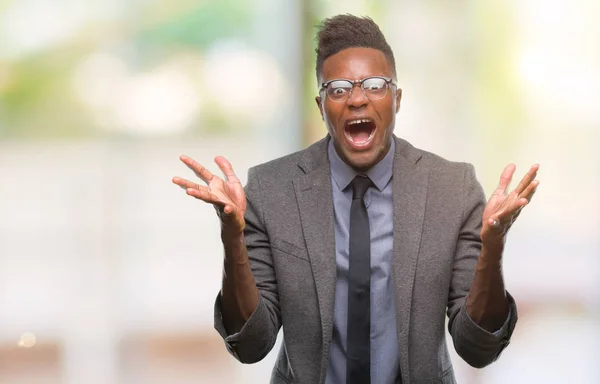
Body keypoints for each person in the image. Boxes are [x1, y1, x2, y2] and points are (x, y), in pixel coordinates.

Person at [172, 14, 539, 384]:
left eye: (376, 85)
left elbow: (477, 347)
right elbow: (252, 345)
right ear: (321, 105)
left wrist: (493, 247)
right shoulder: (270, 190)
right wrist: (231, 236)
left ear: (396, 99)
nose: (358, 99)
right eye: (339, 88)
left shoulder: (452, 188)